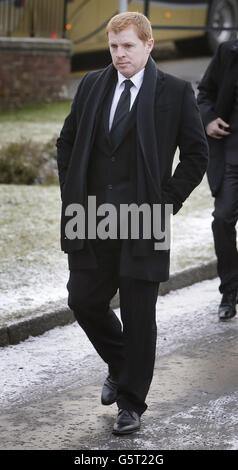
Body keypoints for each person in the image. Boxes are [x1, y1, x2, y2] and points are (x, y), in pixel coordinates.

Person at [56, 12, 208, 435]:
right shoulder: (92, 84)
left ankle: (131, 403)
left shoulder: (175, 92)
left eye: (127, 46)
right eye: (113, 47)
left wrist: (166, 202)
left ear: (148, 45)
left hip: (145, 219)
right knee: (83, 300)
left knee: (140, 316)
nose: (119, 55)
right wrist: (71, 191)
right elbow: (66, 141)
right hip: (91, 217)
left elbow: (196, 156)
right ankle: (122, 364)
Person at [197, 39, 238, 322]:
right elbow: (204, 94)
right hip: (231, 156)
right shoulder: (228, 52)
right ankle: (229, 292)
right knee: (222, 219)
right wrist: (209, 119)